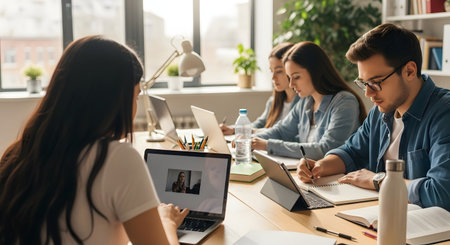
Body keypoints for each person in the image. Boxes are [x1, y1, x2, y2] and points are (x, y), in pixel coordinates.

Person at [0, 36, 188, 245]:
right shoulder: (118, 158)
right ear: (116, 99)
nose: (135, 108)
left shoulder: (17, 156)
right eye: (135, 97)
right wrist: (166, 223)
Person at [297, 23, 450, 211]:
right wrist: (320, 166)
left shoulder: (444, 113)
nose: (368, 93)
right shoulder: (381, 112)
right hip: (382, 213)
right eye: (364, 83)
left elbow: (441, 193)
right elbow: (352, 152)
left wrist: (378, 180)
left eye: (376, 83)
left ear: (410, 71)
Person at [252, 41, 367, 160]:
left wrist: (267, 145)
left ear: (315, 71)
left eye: (296, 77)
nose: (291, 84)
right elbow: (281, 131)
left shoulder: (344, 102)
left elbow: (326, 149)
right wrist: (250, 140)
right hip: (310, 173)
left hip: (340, 177)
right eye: (289, 77)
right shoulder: (305, 103)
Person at [221, 42, 299, 135]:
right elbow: (260, 123)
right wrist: (233, 129)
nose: (273, 77)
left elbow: (285, 133)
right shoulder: (274, 101)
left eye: (278, 71)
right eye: (271, 71)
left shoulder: (302, 104)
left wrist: (251, 132)